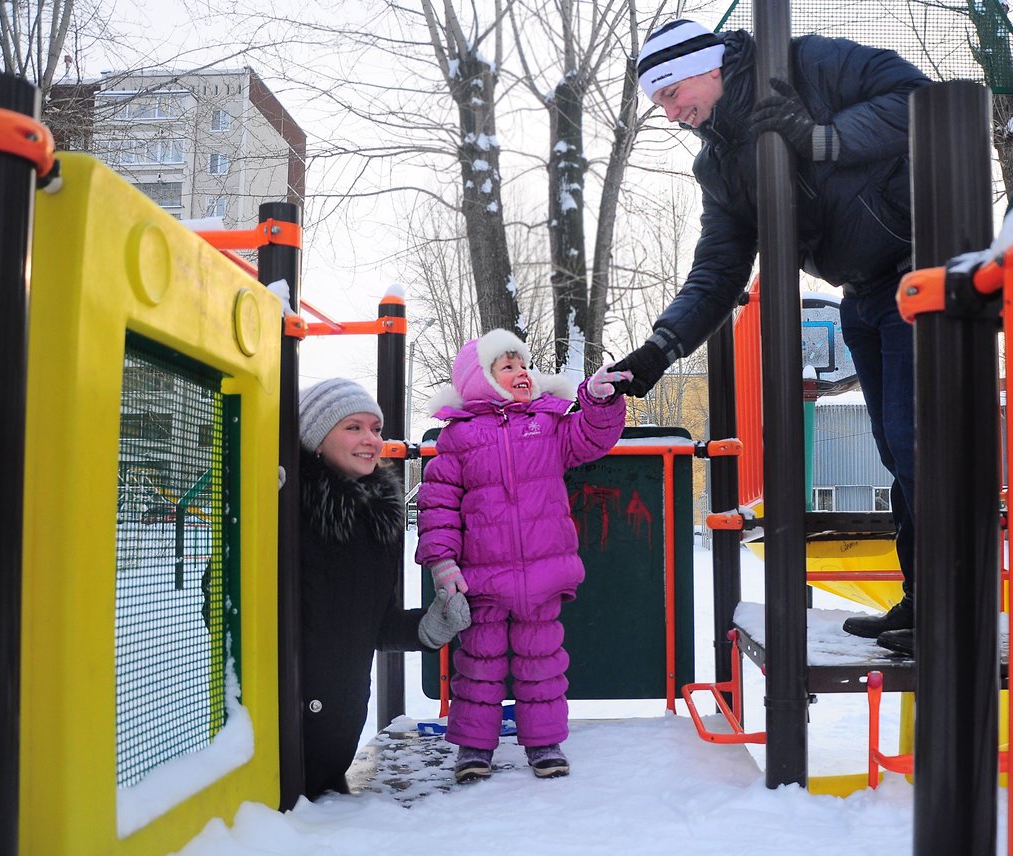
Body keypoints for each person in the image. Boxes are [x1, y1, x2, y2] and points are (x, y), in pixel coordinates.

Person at [611, 19, 932, 656]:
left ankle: (953, 599)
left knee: (919, 442)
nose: (673, 114)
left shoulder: (804, 65)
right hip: (862, 294)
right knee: (898, 451)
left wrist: (824, 139)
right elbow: (719, 269)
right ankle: (925, 597)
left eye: (672, 94)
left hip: (922, 270)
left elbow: (915, 99)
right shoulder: (722, 165)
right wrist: (660, 348)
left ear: (705, 66)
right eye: (661, 105)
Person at [415, 329, 629, 782]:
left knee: (541, 664)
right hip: (482, 579)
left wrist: (598, 399)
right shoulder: (459, 438)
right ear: (481, 381)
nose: (521, 374)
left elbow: (590, 438)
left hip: (541, 572)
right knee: (479, 666)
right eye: (507, 366)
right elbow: (438, 505)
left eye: (523, 365)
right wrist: (442, 562)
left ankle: (544, 742)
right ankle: (474, 748)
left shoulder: (547, 424)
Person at [297, 377, 471, 799]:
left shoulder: (378, 521)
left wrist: (427, 629)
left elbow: (377, 622)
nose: (370, 439)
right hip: (283, 729)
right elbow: (224, 602)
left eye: (375, 428)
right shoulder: (285, 508)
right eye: (353, 427)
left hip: (339, 732)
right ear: (317, 440)